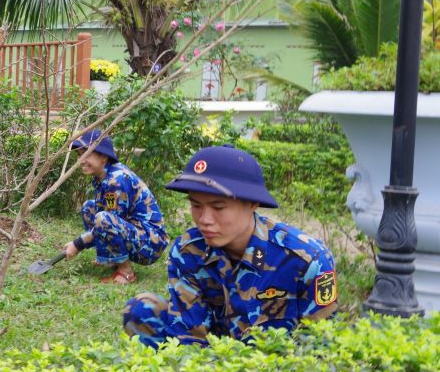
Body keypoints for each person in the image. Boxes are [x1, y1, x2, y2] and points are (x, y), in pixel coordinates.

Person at [124, 144, 338, 348]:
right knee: (142, 309)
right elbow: (189, 336)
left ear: (252, 203)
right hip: (212, 356)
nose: (204, 219)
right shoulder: (188, 251)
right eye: (196, 205)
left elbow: (321, 347)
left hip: (277, 363)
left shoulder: (306, 259)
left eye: (218, 207)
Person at [64, 130, 169, 284]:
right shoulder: (104, 175)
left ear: (104, 157)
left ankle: (126, 273)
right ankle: (112, 259)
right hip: (136, 231)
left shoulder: (116, 180)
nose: (81, 160)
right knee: (89, 208)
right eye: (79, 155)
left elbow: (108, 222)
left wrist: (77, 244)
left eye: (86, 154)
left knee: (103, 218)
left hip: (151, 242)